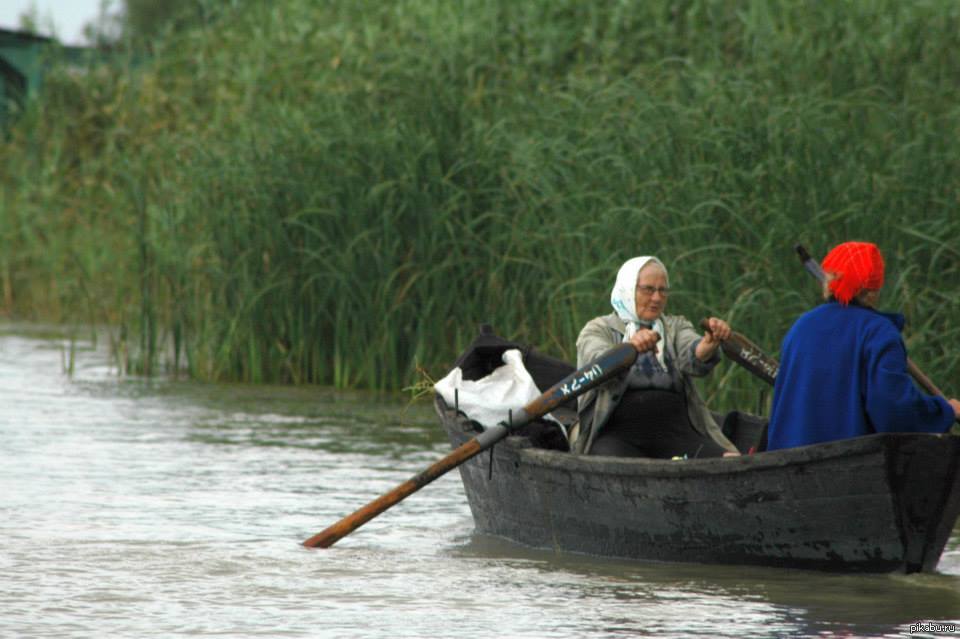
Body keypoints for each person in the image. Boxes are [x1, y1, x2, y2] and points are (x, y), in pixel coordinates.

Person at [766, 241, 960, 451]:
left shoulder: (800, 327)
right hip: (847, 468)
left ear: (829, 281)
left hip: (788, 463)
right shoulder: (879, 333)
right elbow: (895, 412)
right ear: (874, 291)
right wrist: (946, 411)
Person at [570, 256, 740, 458]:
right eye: (648, 289)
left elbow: (691, 352)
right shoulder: (599, 329)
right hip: (617, 434)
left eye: (662, 290)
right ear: (627, 290)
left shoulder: (674, 326)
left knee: (730, 461)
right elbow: (595, 367)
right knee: (611, 467)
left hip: (676, 433)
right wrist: (629, 350)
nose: (657, 298)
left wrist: (706, 346)